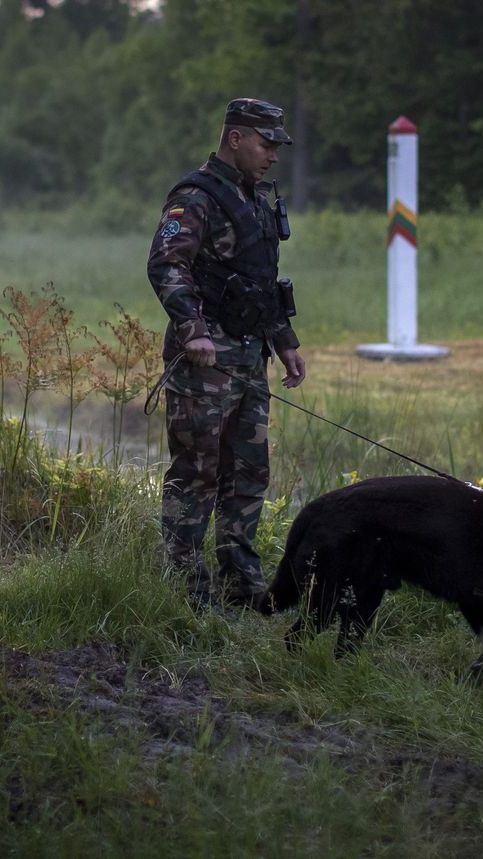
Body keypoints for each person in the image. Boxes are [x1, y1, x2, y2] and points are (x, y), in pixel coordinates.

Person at [147, 97, 307, 610]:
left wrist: (284, 342)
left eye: (277, 146)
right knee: (197, 471)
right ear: (235, 138)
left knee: (248, 473)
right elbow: (168, 265)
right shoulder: (195, 196)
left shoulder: (257, 198)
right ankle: (183, 585)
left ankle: (241, 584)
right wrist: (193, 330)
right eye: (266, 144)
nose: (273, 156)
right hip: (205, 363)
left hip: (250, 358)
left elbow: (260, 280)